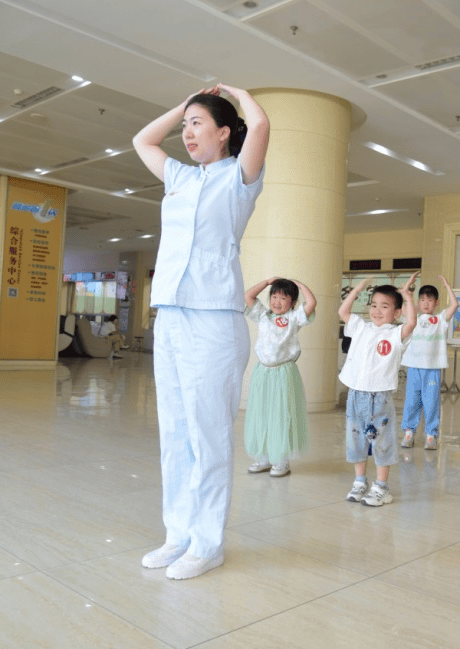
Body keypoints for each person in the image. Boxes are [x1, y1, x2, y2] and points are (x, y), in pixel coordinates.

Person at [132, 83, 269, 580]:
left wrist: (237, 92)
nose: (187, 133)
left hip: (214, 319)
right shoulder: (179, 178)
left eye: (197, 124)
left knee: (208, 436)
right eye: (186, 125)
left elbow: (262, 126)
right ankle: (178, 536)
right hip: (169, 313)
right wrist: (184, 104)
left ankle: (208, 543)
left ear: (224, 132)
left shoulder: (241, 177)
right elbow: (142, 141)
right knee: (175, 435)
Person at [338, 273, 417, 506]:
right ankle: (360, 481)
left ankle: (382, 487)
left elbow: (412, 323)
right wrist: (357, 290)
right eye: (374, 305)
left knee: (381, 442)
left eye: (385, 306)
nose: (377, 310)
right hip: (355, 394)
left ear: (396, 313)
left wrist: (407, 297)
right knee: (356, 440)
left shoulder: (395, 334)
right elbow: (343, 312)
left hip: (379, 397)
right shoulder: (360, 327)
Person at [243, 277, 316, 477]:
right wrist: (266, 282)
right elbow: (248, 296)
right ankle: (265, 458)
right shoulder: (263, 315)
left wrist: (300, 285)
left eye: (283, 298)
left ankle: (281, 461)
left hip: (283, 372)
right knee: (262, 414)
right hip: (263, 372)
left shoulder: (295, 317)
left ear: (292, 302)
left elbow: (311, 303)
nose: (277, 301)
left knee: (282, 415)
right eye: (274, 296)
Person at [400, 276, 458, 451]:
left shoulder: (440, 320)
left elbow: (454, 305)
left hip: (432, 369)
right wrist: (408, 287)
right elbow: (403, 303)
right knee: (411, 402)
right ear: (418, 302)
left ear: (436, 303)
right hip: (413, 367)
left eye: (430, 300)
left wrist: (448, 285)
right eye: (422, 300)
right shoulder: (412, 318)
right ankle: (409, 432)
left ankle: (431, 435)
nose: (425, 303)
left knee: (431, 402)